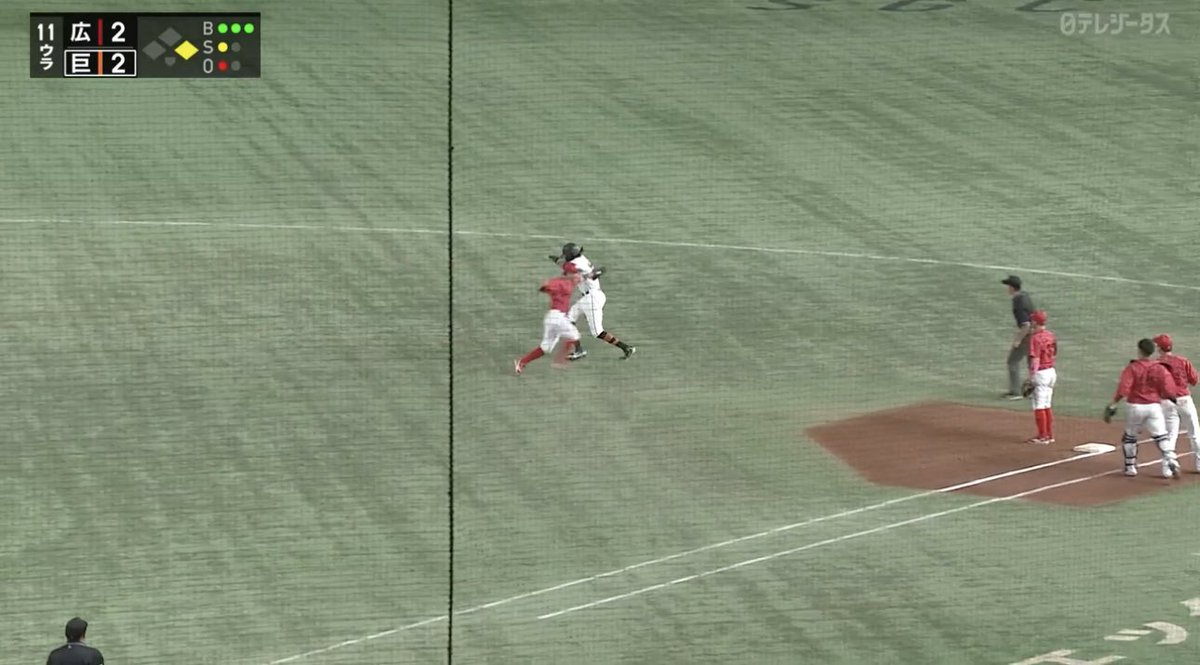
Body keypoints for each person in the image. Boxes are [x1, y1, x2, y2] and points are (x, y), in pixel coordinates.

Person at [1105, 338, 1182, 478]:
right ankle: (1171, 460)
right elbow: (1168, 388)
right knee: (1161, 436)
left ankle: (1130, 467)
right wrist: (1174, 400)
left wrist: (1114, 403)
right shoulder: (1159, 368)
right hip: (1154, 407)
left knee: (1130, 436)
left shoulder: (1133, 367)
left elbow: (1123, 389)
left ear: (1140, 350)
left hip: (1135, 406)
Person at [549, 243, 636, 361]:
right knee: (569, 319)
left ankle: (626, 347)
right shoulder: (580, 259)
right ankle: (579, 350)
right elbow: (568, 266)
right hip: (589, 297)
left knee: (597, 332)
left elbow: (573, 268)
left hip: (592, 299)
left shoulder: (577, 263)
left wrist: (592, 274)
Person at [514, 262, 583, 375]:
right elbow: (546, 286)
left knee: (546, 348)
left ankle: (522, 362)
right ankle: (560, 361)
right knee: (574, 335)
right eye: (575, 273)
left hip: (553, 318)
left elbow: (578, 279)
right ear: (568, 273)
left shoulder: (568, 282)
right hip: (557, 316)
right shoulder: (561, 282)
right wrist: (547, 287)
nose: (577, 274)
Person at [1154, 334, 1200, 471]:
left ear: (1159, 348)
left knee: (1170, 434)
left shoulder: (1156, 364)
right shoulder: (1182, 361)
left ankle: (1167, 468)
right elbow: (1194, 380)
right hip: (1184, 399)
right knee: (1194, 432)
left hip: (1167, 401)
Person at [1025, 310, 1057, 444]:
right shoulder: (1050, 335)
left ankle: (1042, 436)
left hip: (1041, 373)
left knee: (1039, 405)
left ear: (1035, 322)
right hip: (1051, 372)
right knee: (1047, 404)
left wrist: (1032, 376)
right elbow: (1054, 352)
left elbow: (1036, 359)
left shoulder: (1035, 338)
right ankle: (1049, 434)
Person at [1002, 275, 1035, 399]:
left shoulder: (1018, 301)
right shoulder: (1025, 295)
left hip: (1028, 335)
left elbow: (1025, 325)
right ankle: (1034, 391)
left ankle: (1015, 392)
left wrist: (1017, 340)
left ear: (1012, 288)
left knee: (1012, 361)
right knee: (1032, 363)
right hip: (1036, 334)